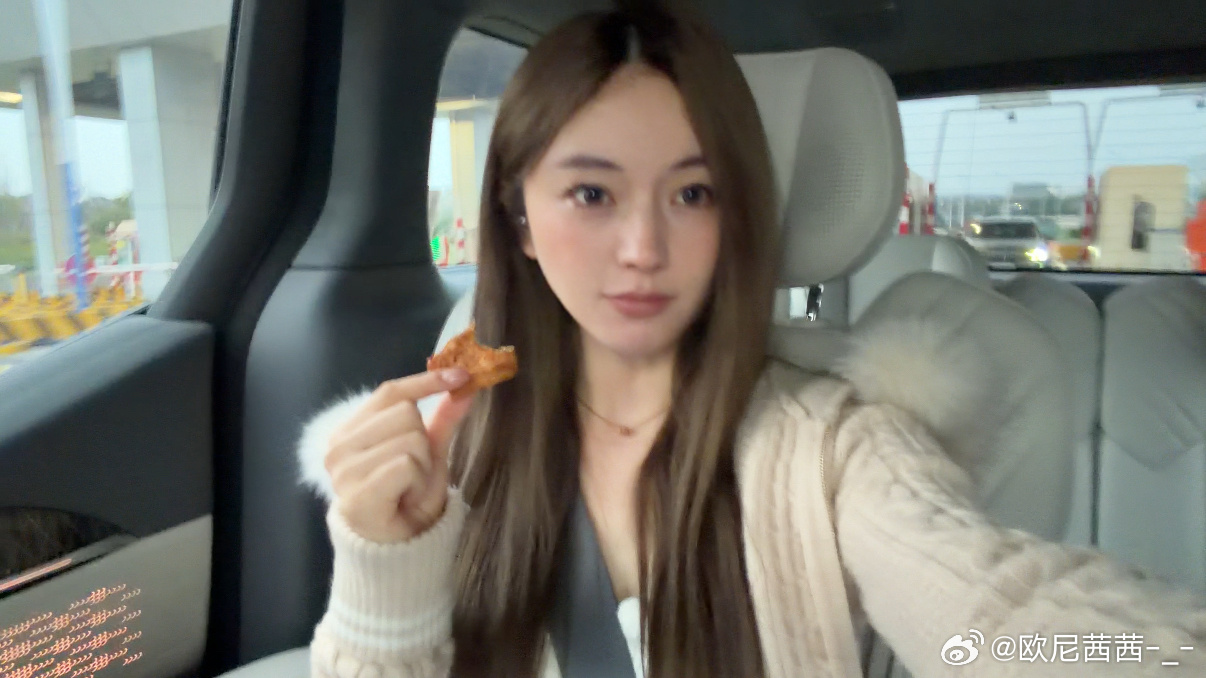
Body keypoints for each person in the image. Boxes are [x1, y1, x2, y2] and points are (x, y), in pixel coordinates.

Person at [296, 5, 1206, 678]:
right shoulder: (454, 444)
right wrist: (384, 568)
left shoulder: (834, 448)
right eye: (592, 194)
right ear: (519, 219)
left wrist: (1151, 651)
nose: (643, 248)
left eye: (693, 194)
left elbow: (996, 621)